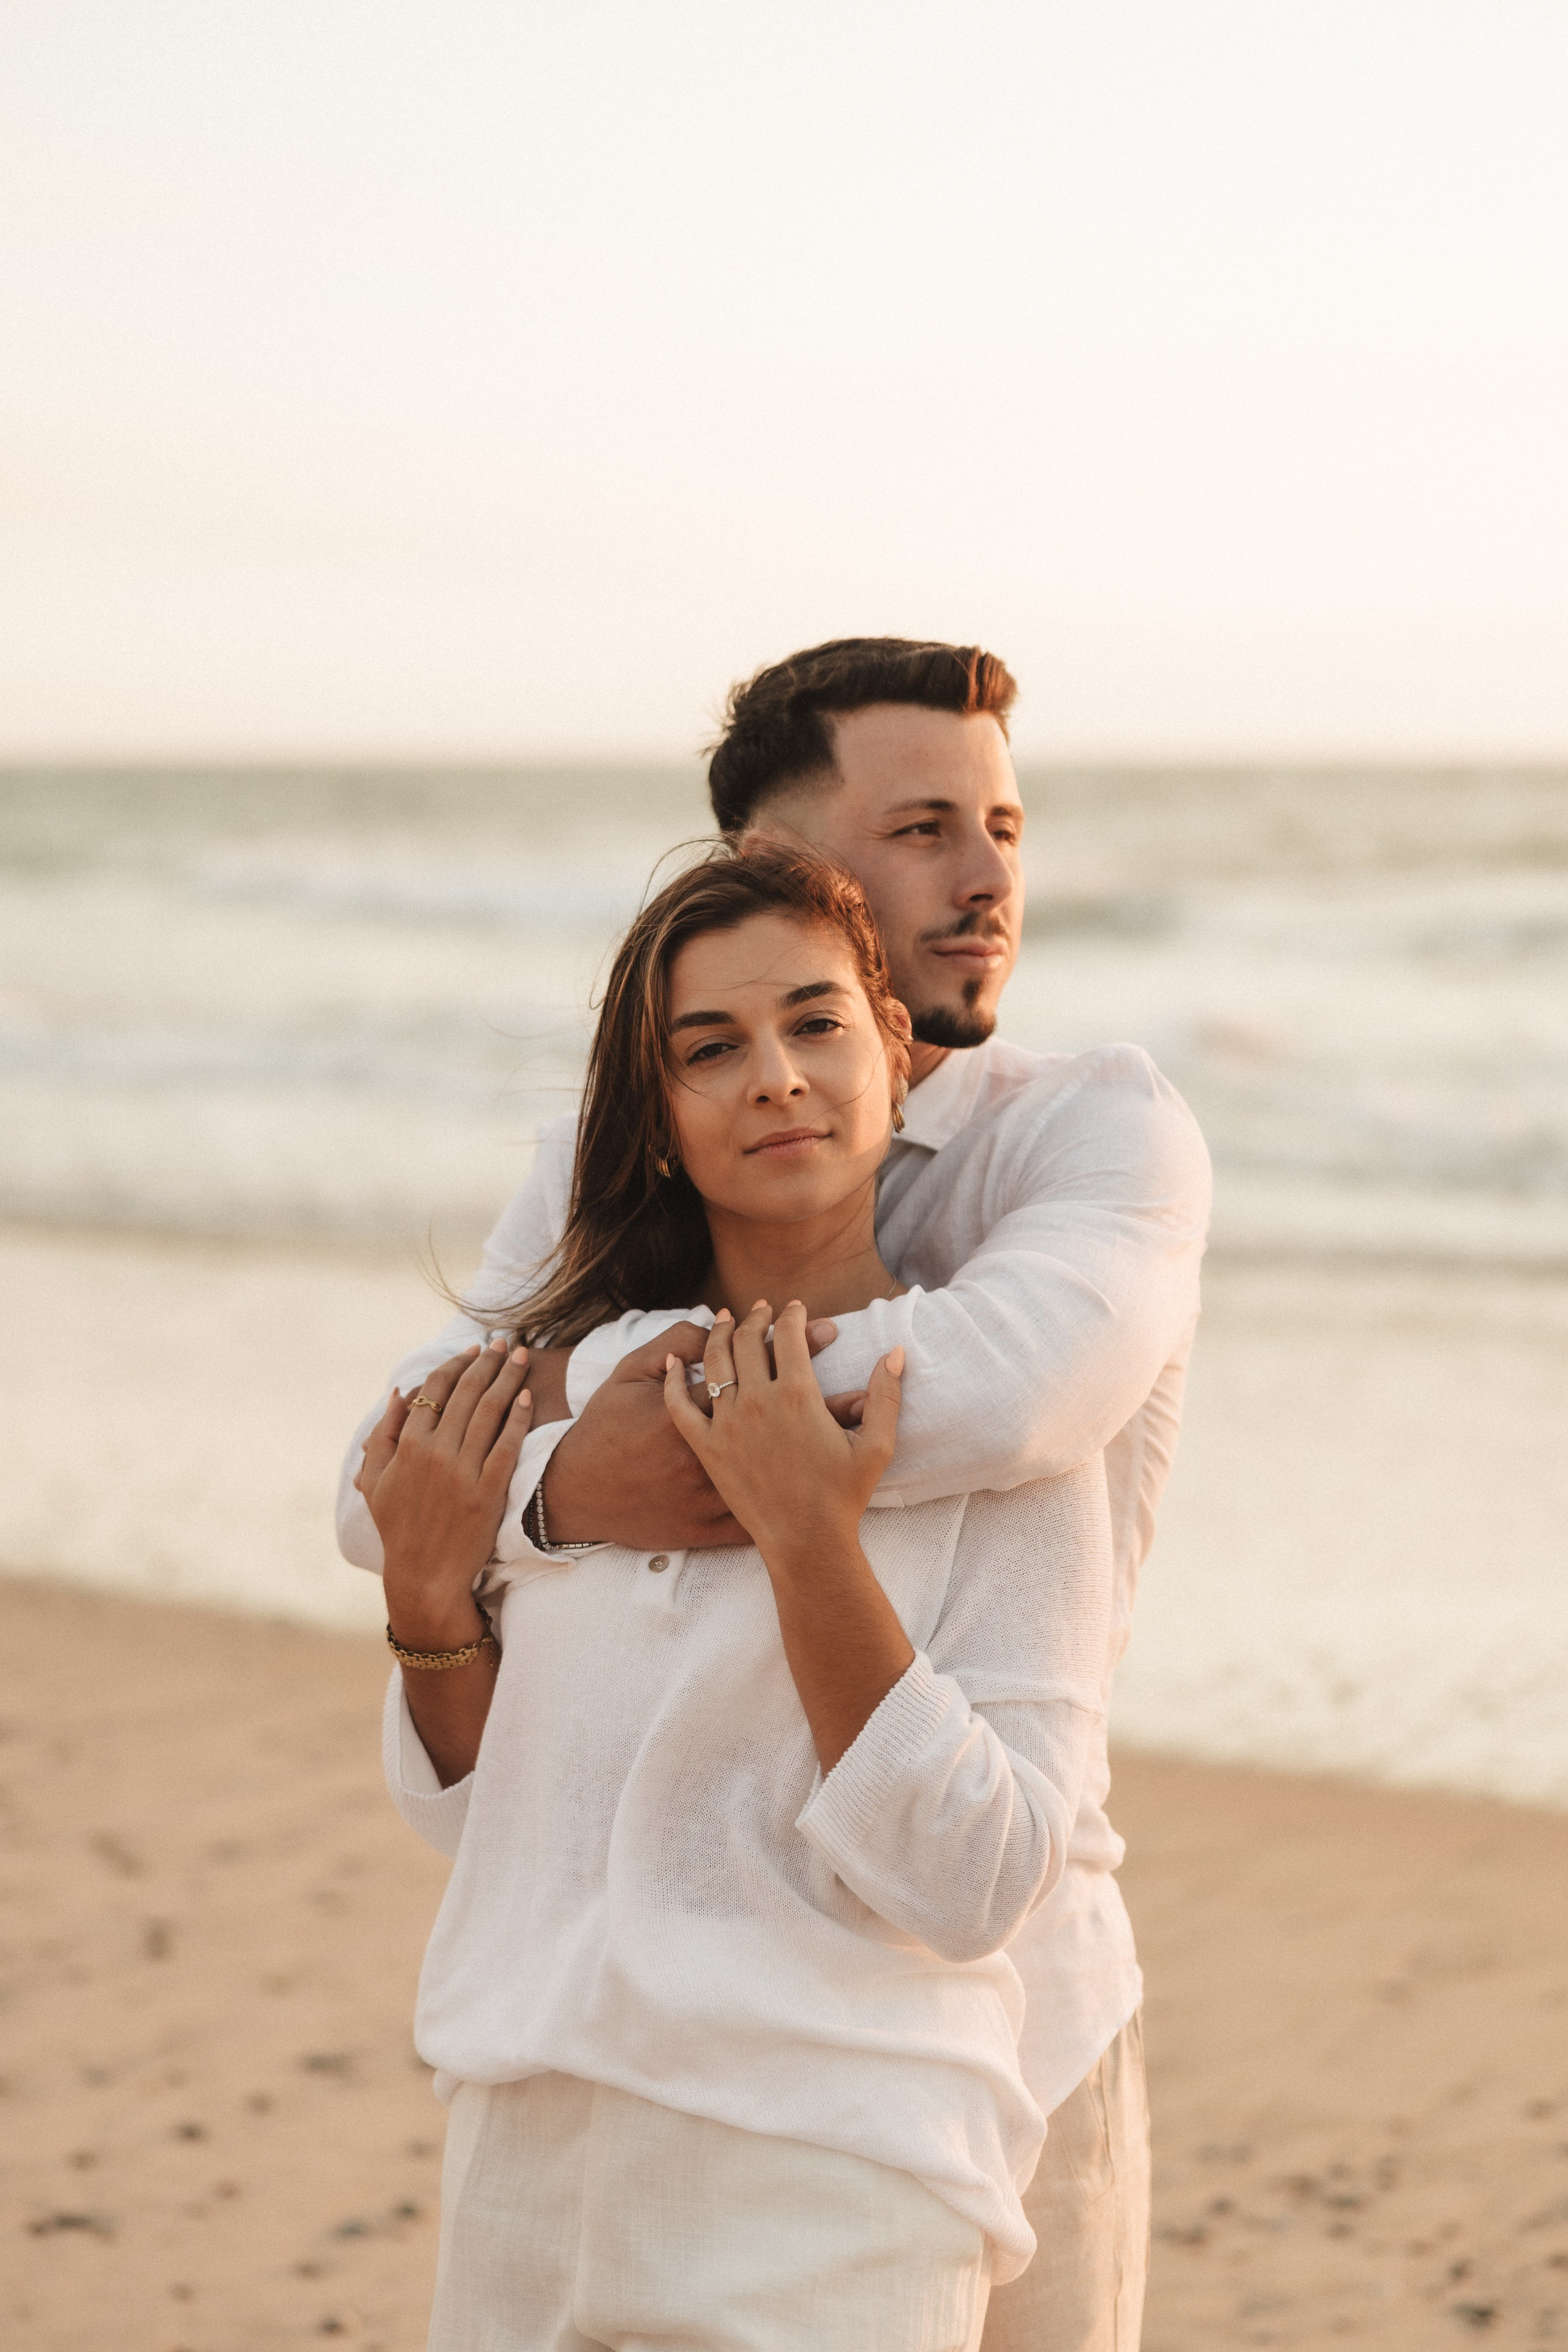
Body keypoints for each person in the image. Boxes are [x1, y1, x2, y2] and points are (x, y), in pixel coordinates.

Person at [339, 636, 1212, 2350]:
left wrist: (623, 1435)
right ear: (776, 856)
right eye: (921, 831)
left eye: (1006, 829)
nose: (982, 881)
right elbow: (387, 1502)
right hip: (619, 2068)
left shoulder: (1094, 1130)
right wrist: (559, 1489)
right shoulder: (617, 1249)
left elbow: (1018, 1387)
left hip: (1017, 1989)